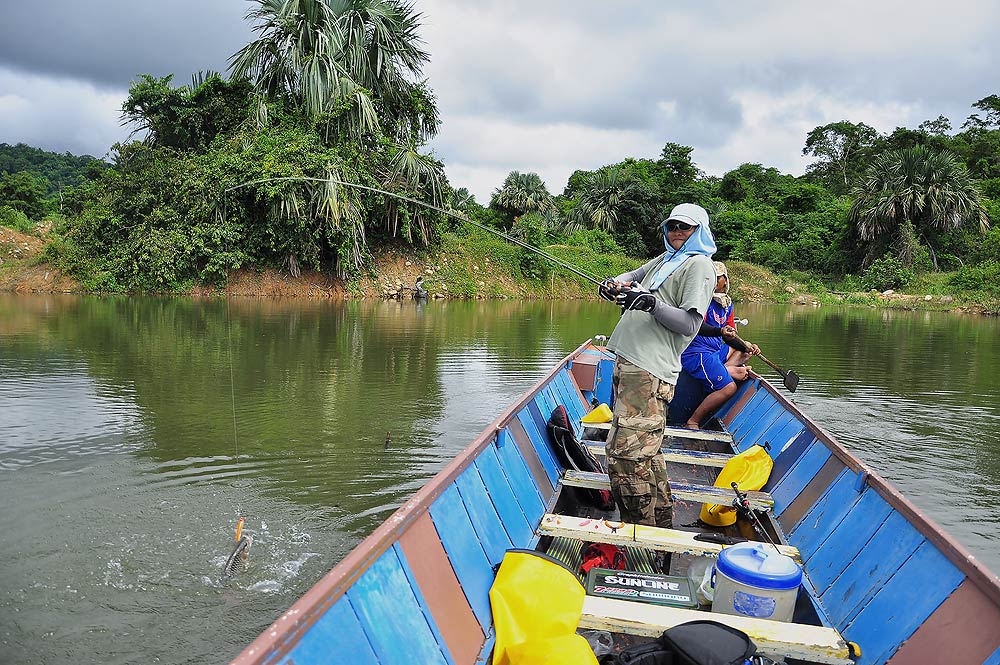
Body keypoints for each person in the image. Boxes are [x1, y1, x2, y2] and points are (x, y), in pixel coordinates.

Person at [597, 203, 718, 533]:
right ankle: (659, 528)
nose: (677, 231)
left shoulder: (699, 266)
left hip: (649, 370)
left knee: (626, 455)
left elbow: (690, 323)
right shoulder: (666, 260)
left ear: (700, 231)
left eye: (685, 227)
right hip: (630, 364)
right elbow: (633, 277)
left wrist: (651, 303)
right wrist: (614, 284)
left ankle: (639, 534)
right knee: (645, 455)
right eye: (672, 226)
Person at [680, 261, 759, 429]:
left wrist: (748, 346)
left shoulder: (726, 304)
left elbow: (730, 335)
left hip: (715, 350)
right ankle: (692, 421)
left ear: (725, 280)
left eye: (717, 277)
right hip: (698, 353)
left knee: (745, 352)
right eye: (709, 278)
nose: (714, 281)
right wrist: (720, 331)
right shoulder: (700, 299)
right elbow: (695, 325)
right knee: (729, 388)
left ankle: (725, 370)